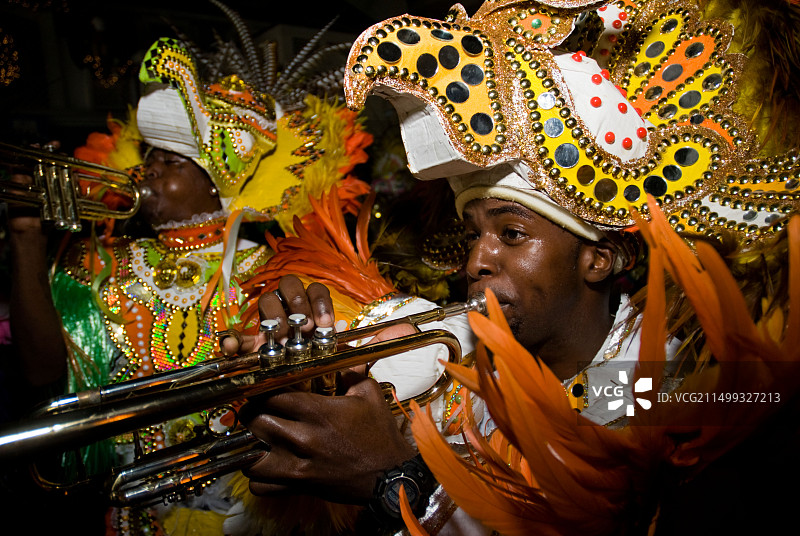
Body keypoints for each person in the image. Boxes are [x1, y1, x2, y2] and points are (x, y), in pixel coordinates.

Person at [225, 0, 800, 534]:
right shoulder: (458, 356)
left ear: (598, 258)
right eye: (474, 233)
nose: (477, 260)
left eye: (512, 233)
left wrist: (397, 480)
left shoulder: (666, 380)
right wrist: (301, 389)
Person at [6, 23, 374, 535]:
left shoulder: (269, 270)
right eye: (148, 159)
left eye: (169, 161)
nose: (146, 172)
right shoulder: (102, 263)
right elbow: (41, 371)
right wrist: (26, 235)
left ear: (216, 183)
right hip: (126, 515)